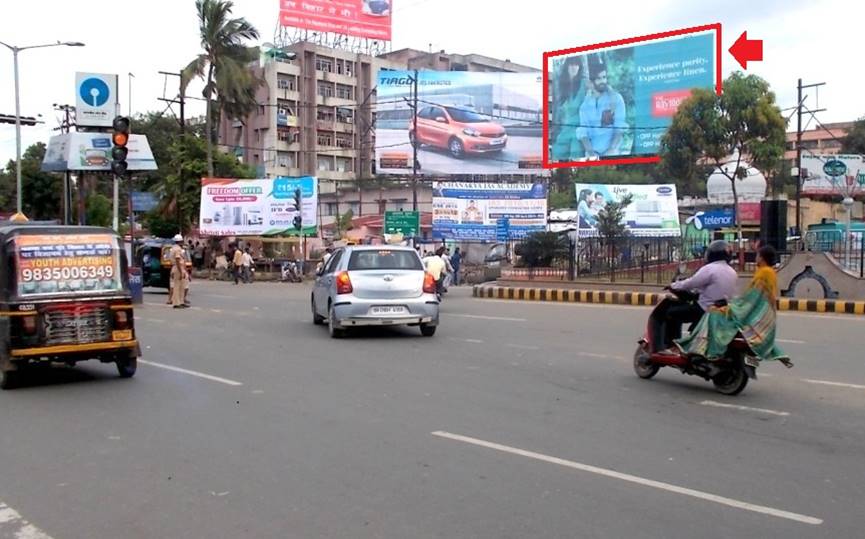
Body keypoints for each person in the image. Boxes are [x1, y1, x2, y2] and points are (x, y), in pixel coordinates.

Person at [677, 245, 788, 363]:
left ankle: (702, 349)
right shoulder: (763, 272)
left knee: (713, 313)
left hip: (750, 311)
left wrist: (734, 306)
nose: (756, 258)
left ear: (761, 258)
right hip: (758, 310)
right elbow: (752, 296)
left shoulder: (765, 273)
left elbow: (753, 298)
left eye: (757, 255)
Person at [658, 240, 738, 352]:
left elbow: (690, 283)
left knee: (670, 313)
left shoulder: (710, 268)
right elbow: (706, 287)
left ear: (712, 253)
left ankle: (671, 345)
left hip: (704, 309)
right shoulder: (732, 272)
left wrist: (673, 285)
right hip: (721, 310)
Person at [577, 57, 628, 158]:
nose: (603, 81)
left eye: (604, 77)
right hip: (592, 155)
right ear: (591, 82)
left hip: (613, 153)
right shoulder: (584, 106)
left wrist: (611, 150)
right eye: (599, 78)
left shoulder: (616, 99)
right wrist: (591, 154)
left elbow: (620, 128)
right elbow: (583, 134)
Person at [551, 55, 588, 161]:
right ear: (567, 66)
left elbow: (596, 93)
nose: (574, 67)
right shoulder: (560, 85)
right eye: (571, 64)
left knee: (575, 155)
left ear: (580, 67)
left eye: (576, 65)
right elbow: (557, 110)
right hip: (564, 129)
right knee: (556, 154)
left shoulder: (584, 84)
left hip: (579, 129)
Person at [169, 234, 189, 309]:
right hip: (178, 268)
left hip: (178, 267)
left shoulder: (174, 248)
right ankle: (176, 303)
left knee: (182, 285)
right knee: (177, 286)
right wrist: (181, 272)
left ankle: (181, 302)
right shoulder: (177, 249)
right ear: (180, 241)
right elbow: (177, 260)